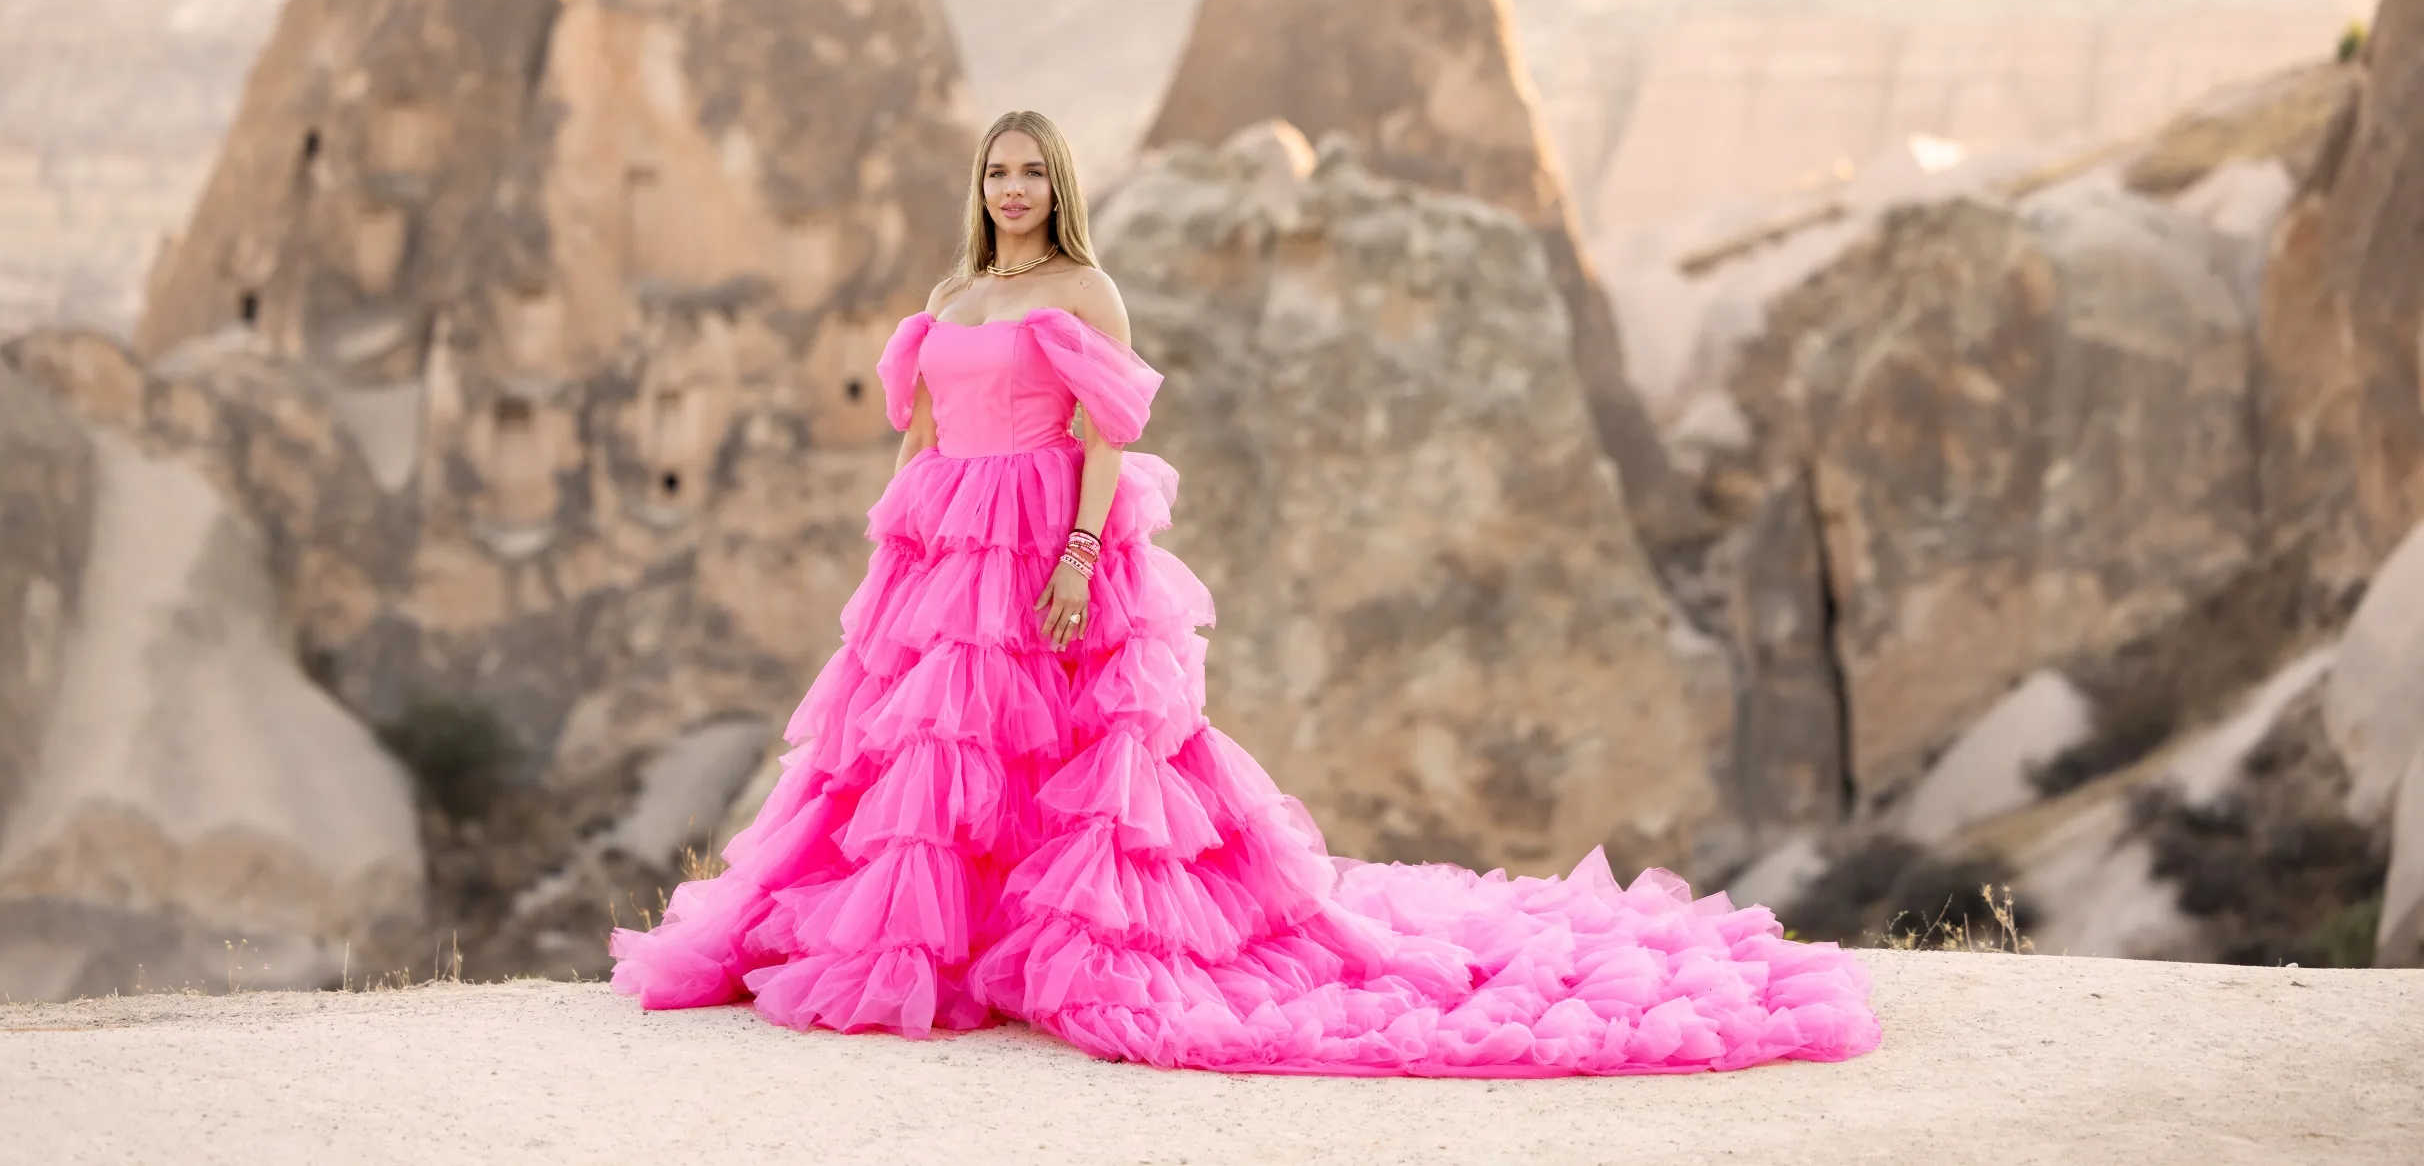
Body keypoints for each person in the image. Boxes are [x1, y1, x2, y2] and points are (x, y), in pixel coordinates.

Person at [609, 109, 1879, 1075]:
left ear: (1059, 188)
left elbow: (1105, 436)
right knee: (935, 754)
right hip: (945, 539)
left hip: (1046, 530)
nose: (1013, 188)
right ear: (977, 186)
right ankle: (949, 947)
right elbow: (923, 430)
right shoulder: (950, 296)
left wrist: (1071, 556)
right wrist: (896, 546)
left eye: (1033, 171)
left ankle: (1073, 948)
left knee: (1076, 751)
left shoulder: (1081, 290)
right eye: (998, 170)